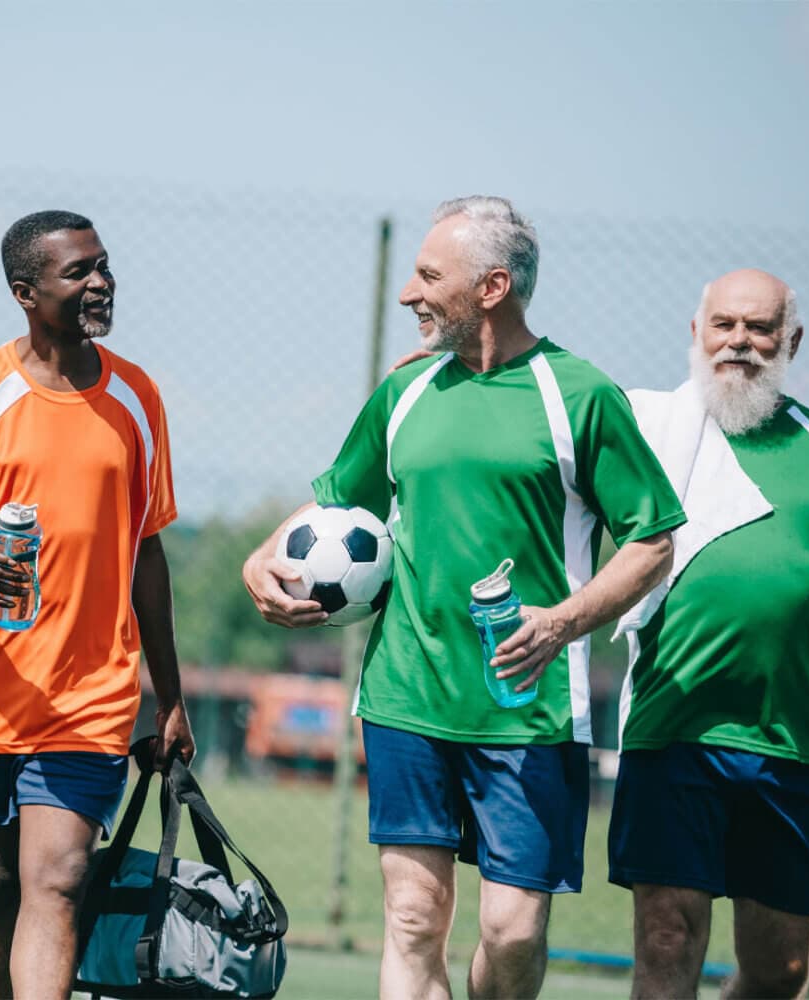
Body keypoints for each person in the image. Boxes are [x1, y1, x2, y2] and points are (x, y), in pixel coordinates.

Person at [243, 196, 686, 1000]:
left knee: (511, 935)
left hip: (530, 709)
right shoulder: (404, 392)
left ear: (491, 286)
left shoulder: (579, 395)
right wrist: (259, 556)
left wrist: (561, 622)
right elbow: (338, 505)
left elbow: (653, 540)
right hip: (406, 695)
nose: (411, 294)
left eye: (427, 276)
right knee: (413, 918)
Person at [0, 210, 195, 999]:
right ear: (26, 293)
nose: (100, 283)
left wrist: (173, 696)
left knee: (58, 879)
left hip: (92, 694)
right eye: (77, 272)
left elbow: (146, 555)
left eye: (103, 266)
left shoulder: (138, 396)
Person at [609, 268, 809, 999]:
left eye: (759, 328)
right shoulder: (644, 428)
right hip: (670, 731)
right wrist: (458, 369)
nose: (739, 343)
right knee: (666, 941)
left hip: (791, 747)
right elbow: (544, 412)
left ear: (791, 340)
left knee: (780, 972)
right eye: (724, 325)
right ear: (697, 332)